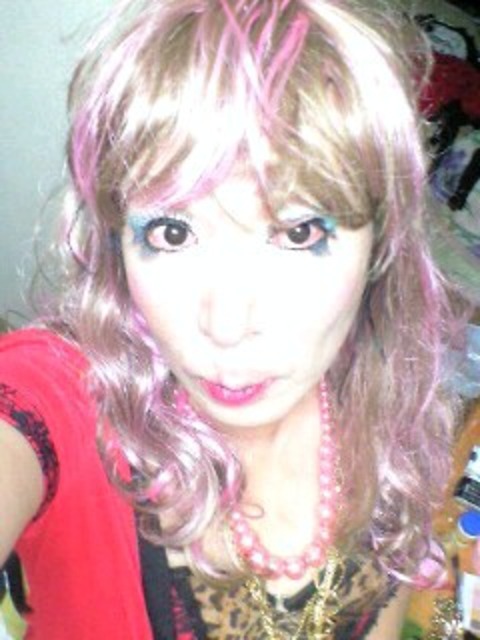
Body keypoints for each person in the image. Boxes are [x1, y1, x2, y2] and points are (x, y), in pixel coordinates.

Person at [0, 0, 468, 638]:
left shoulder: (395, 413)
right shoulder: (66, 401)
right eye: (171, 232)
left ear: (380, 245)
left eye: (299, 232)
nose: (225, 324)